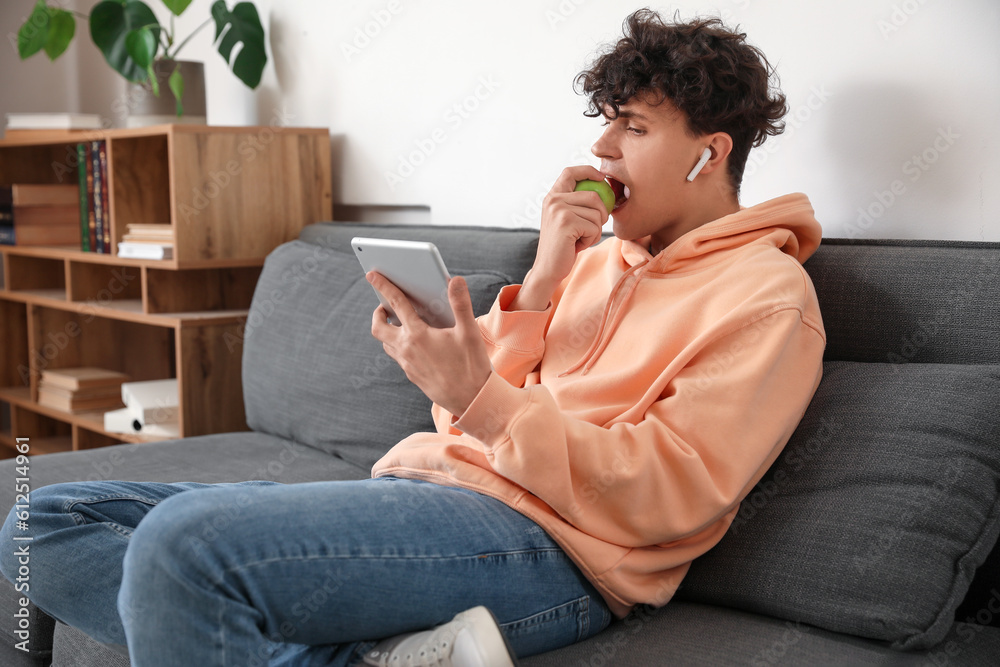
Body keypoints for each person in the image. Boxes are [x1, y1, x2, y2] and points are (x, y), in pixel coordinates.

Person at [0, 9, 825, 667]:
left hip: (558, 550)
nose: (601, 148)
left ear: (708, 154)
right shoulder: (595, 260)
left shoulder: (767, 297)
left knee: (183, 548)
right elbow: (458, 425)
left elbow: (668, 494)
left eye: (634, 128)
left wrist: (479, 397)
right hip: (435, 494)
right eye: (604, 123)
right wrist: (538, 289)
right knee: (42, 521)